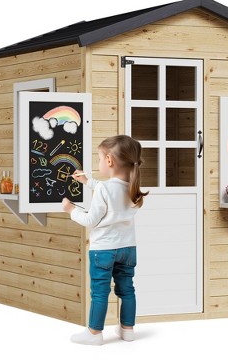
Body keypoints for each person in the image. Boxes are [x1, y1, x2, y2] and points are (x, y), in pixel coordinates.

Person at [62, 135, 148, 346]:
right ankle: (128, 330)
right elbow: (111, 191)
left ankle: (94, 333)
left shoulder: (104, 189)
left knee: (100, 292)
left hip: (103, 250)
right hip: (128, 249)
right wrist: (88, 182)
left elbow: (90, 220)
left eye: (100, 158)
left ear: (109, 161)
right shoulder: (133, 186)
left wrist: (71, 210)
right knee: (127, 289)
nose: (99, 162)